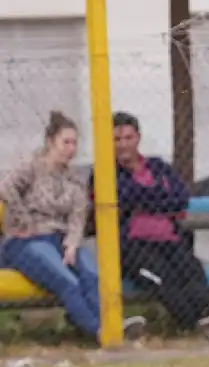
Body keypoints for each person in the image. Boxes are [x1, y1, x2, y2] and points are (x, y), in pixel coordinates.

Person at [0, 111, 145, 343]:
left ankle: (113, 325)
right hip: (28, 241)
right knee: (67, 281)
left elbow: (79, 215)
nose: (71, 148)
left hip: (60, 239)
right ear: (50, 142)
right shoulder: (32, 167)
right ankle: (101, 332)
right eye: (65, 142)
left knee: (92, 274)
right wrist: (24, 221)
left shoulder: (74, 178)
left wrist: (72, 244)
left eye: (75, 143)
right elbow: (6, 189)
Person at [105, 112, 209, 338]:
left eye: (128, 138)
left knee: (191, 267)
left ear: (138, 138)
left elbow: (180, 199)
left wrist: (144, 201)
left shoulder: (158, 167)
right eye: (116, 140)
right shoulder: (105, 174)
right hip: (133, 245)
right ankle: (191, 323)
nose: (123, 145)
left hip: (167, 238)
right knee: (162, 277)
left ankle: (208, 316)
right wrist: (157, 198)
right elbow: (125, 196)